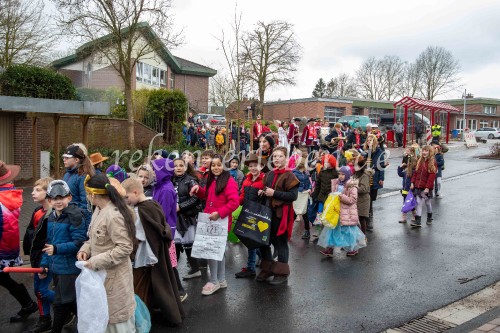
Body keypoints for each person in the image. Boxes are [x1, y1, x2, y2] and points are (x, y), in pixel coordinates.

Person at [122, 178, 185, 326]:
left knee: (139, 289)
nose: (125, 201)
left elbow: (139, 236)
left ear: (136, 192)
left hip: (146, 257)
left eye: (127, 197)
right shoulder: (153, 204)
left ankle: (140, 321)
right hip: (154, 255)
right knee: (156, 286)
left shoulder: (141, 210)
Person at [77, 174, 136, 332]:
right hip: (102, 276)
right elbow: (95, 237)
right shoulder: (99, 209)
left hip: (114, 279)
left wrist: (95, 261)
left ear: (93, 194)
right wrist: (86, 248)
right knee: (104, 317)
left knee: (116, 321)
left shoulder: (113, 215)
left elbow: (125, 248)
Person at [39, 180, 87, 333]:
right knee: (67, 303)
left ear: (69, 198)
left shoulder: (75, 216)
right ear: (49, 200)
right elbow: (49, 243)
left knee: (62, 304)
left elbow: (80, 243)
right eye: (54, 198)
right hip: (57, 268)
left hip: (69, 269)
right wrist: (44, 264)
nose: (58, 201)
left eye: (62, 197)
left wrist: (58, 249)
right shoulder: (52, 217)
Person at [191, 154, 239, 295]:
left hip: (220, 221)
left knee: (212, 251)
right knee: (217, 251)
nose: (216, 167)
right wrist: (198, 190)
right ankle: (221, 279)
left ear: (224, 166)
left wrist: (219, 213)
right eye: (213, 165)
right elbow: (208, 196)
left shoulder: (229, 181)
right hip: (211, 220)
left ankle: (214, 281)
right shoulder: (213, 180)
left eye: (219, 165)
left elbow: (234, 202)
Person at [0, 161, 39, 324]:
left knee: (3, 278)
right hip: (9, 245)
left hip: (1, 247)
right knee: (3, 278)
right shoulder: (11, 194)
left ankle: (28, 304)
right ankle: (27, 304)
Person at [256, 147, 299, 285]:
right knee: (264, 241)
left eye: (280, 156)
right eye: (274, 156)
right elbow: (265, 189)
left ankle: (282, 272)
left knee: (281, 243)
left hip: (282, 215)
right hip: (267, 213)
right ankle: (267, 268)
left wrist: (273, 193)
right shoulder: (269, 174)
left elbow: (293, 196)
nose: (276, 159)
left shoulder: (290, 176)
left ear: (286, 159)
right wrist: (262, 192)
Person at [151, 158, 187, 301]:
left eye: (155, 170)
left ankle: (179, 291)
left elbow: (163, 213)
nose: (153, 173)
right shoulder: (160, 186)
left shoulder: (166, 189)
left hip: (165, 231)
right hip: (162, 229)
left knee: (169, 264)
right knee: (167, 263)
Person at [22, 177, 55, 333]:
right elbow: (31, 235)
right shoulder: (37, 211)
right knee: (38, 291)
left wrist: (44, 264)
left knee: (42, 291)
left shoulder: (52, 215)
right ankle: (45, 319)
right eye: (33, 189)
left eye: (38, 190)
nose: (33, 193)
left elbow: (49, 243)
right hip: (37, 260)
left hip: (47, 261)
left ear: (48, 192)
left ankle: (70, 306)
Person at [318, 166, 366, 257]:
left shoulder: (352, 186)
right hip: (337, 212)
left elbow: (352, 200)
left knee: (348, 231)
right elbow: (335, 195)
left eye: (343, 174)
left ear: (347, 175)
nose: (340, 176)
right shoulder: (337, 183)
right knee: (333, 230)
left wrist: (341, 197)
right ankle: (330, 248)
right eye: (339, 174)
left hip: (347, 213)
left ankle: (352, 248)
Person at [234, 153, 266, 279]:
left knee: (251, 241)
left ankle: (251, 267)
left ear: (262, 166)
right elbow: (241, 196)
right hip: (247, 212)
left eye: (255, 166)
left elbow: (268, 195)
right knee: (249, 239)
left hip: (259, 214)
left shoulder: (264, 180)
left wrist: (263, 192)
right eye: (251, 166)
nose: (253, 168)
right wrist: (234, 203)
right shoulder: (246, 180)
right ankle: (262, 258)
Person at [171, 159, 202, 280]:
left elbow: (195, 198)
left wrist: (180, 207)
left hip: (186, 217)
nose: (178, 168)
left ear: (185, 167)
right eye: (175, 166)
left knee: (189, 245)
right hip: (174, 218)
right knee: (175, 246)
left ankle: (195, 269)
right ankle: (172, 272)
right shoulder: (170, 180)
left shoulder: (191, 180)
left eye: (181, 165)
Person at [62, 144, 95, 224]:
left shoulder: (83, 176)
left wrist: (84, 224)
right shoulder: (67, 174)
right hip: (66, 216)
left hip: (76, 219)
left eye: (67, 157)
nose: (64, 159)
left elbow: (86, 203)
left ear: (76, 160)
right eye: (63, 157)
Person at [310, 153, 338, 238]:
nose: (325, 163)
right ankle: (318, 231)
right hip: (321, 197)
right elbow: (318, 185)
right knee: (319, 214)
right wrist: (314, 194)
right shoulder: (321, 172)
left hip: (331, 198)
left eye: (327, 162)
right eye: (324, 161)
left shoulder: (335, 172)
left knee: (329, 214)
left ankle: (328, 231)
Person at [363, 134, 388, 231]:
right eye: (368, 141)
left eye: (371, 140)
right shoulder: (366, 152)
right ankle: (368, 219)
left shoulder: (379, 152)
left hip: (374, 177)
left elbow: (381, 166)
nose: (369, 142)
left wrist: (381, 178)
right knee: (367, 198)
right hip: (366, 178)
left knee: (371, 199)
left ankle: (369, 217)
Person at [410, 145, 437, 228]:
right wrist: (412, 182)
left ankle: (429, 217)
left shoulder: (432, 162)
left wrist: (427, 188)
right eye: (423, 151)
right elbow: (415, 173)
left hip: (426, 187)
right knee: (418, 203)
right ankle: (418, 221)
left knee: (428, 203)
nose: (424, 152)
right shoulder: (420, 161)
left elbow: (432, 176)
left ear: (430, 152)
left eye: (426, 151)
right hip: (418, 186)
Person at [292, 157, 312, 239]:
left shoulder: (306, 173)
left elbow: (309, 183)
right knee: (294, 213)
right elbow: (293, 184)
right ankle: (287, 230)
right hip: (297, 196)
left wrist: (309, 188)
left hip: (304, 196)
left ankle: (307, 231)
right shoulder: (294, 173)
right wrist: (301, 190)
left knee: (305, 214)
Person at [398, 148, 417, 224]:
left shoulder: (414, 172)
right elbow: (400, 174)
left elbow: (414, 181)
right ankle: (404, 218)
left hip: (411, 191)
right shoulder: (406, 171)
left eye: (410, 163)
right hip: (405, 190)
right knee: (405, 204)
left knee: (411, 205)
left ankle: (414, 215)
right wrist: (400, 167)